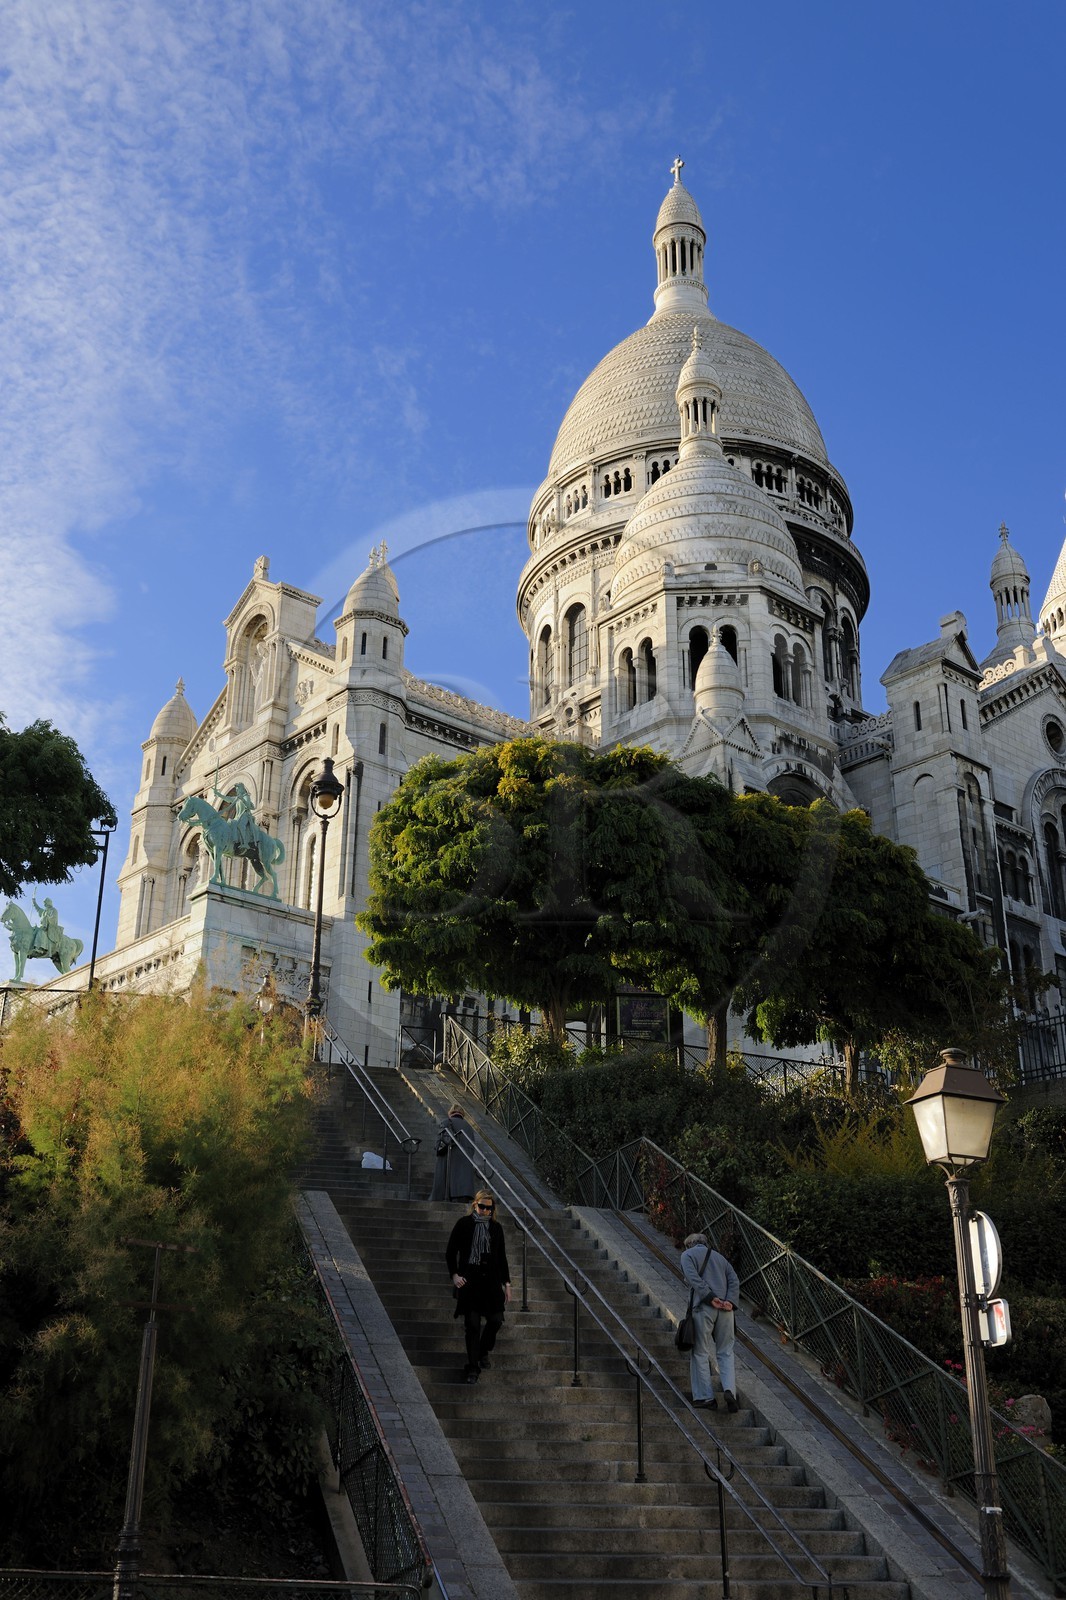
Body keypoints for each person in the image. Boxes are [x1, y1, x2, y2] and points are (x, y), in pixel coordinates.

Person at [446, 1189, 512, 1384]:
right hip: (470, 1282)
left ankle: (482, 1351)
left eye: (488, 1208)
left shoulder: (496, 1228)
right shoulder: (464, 1224)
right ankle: (472, 1367)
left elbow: (501, 1258)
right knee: (472, 1325)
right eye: (481, 1206)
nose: (485, 1211)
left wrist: (507, 1284)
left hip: (491, 1283)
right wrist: (455, 1275)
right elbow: (451, 1252)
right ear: (475, 1205)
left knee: (496, 1320)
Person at [680, 1230, 740, 1412]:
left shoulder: (687, 1255)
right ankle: (730, 1390)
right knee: (726, 1352)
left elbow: (694, 1279)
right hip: (727, 1311)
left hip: (704, 1307)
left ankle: (705, 1397)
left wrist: (709, 1296)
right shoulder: (721, 1259)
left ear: (689, 1244)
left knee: (700, 1352)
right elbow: (734, 1280)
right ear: (705, 1243)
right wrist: (729, 1300)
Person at [428, 1104, 477, 1201]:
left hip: (450, 1158)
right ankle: (463, 1194)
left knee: (448, 1177)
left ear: (450, 1113)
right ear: (462, 1114)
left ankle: (445, 1196)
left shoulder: (447, 1122)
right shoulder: (469, 1127)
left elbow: (440, 1143)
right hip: (466, 1162)